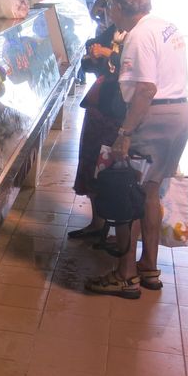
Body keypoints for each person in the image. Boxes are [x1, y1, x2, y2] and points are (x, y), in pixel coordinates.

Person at [85, 0, 188, 299]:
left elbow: (145, 89)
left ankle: (125, 274)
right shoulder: (165, 25)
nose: (108, 15)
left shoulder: (137, 36)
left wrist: (124, 134)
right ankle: (149, 267)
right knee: (149, 193)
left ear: (118, 7)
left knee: (124, 190)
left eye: (109, 9)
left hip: (152, 118)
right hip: (180, 114)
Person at [68, 24, 128, 241]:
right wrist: (93, 57)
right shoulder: (110, 30)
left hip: (121, 112)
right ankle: (97, 222)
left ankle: (121, 231)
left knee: (118, 169)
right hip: (100, 105)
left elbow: (136, 69)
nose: (107, 9)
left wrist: (108, 53)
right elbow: (89, 64)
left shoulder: (140, 33)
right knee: (92, 160)